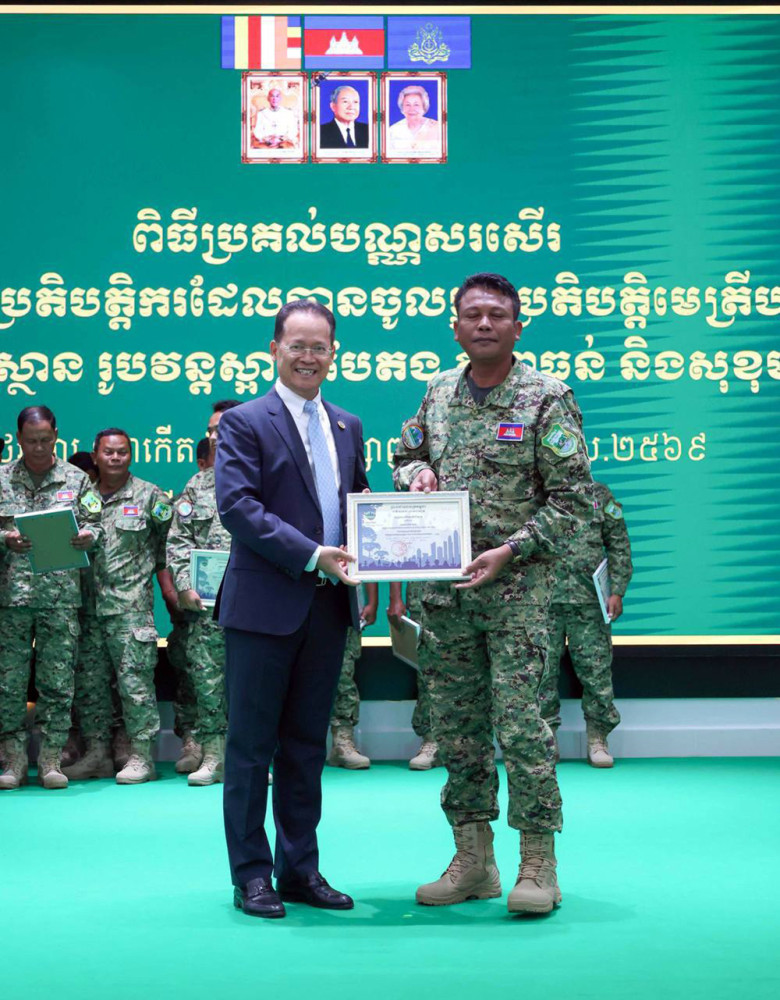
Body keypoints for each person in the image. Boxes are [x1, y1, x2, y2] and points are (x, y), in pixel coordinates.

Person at [393, 272, 593, 915]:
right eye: (472, 314)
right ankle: (474, 861)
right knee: (457, 730)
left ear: (517, 326)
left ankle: (538, 864)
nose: (484, 324)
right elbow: (405, 457)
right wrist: (416, 474)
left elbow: (574, 502)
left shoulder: (546, 397)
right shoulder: (437, 392)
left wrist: (509, 550)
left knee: (524, 728)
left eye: (497, 315)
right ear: (455, 326)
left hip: (520, 597)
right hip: (447, 597)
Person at [215, 298, 368, 920]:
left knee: (306, 747)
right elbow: (238, 507)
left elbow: (357, 504)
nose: (309, 356)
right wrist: (311, 554)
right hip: (263, 608)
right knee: (251, 749)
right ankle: (252, 875)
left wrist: (396, 518)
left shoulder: (348, 425)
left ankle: (300, 868)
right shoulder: (245, 421)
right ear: (274, 349)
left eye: (319, 346)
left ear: (334, 353)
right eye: (297, 345)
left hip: (328, 611)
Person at [63, 428, 174, 785]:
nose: (115, 458)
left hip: (130, 608)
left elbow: (169, 546)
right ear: (95, 456)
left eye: (122, 452)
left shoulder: (150, 496)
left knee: (135, 685)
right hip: (86, 607)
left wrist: (170, 590)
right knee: (90, 685)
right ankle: (97, 754)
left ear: (131, 455)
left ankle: (142, 756)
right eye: (108, 452)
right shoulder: (81, 497)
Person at [0, 406, 100, 790]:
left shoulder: (76, 479)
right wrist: (5, 538)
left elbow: (95, 524)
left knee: (57, 681)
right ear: (18, 439)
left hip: (59, 595)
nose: (39, 448)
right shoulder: (3, 478)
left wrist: (88, 537)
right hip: (13, 597)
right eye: (31, 441)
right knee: (9, 683)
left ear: (56, 435)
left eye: (45, 440)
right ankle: (12, 761)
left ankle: (50, 760)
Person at [166, 400, 241, 786]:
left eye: (221, 430)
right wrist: (183, 584)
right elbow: (178, 540)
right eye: (211, 431)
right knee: (208, 681)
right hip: (208, 606)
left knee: (255, 684)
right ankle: (213, 755)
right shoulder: (198, 486)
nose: (214, 437)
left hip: (257, 605)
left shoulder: (269, 478)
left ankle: (252, 759)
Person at [539, 480, 633, 768]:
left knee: (596, 672)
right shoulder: (535, 493)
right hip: (543, 601)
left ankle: (598, 739)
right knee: (540, 672)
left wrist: (617, 590)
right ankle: (545, 739)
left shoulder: (599, 494)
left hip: (590, 601)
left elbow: (618, 543)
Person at [386, 581, 440, 770]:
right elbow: (397, 560)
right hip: (426, 589)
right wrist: (395, 597)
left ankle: (469, 746)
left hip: (476, 589)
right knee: (428, 669)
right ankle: (432, 740)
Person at [327, 583, 378, 769]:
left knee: (344, 673)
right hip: (291, 596)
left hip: (343, 598)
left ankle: (342, 742)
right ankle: (272, 748)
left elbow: (367, 563)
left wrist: (372, 600)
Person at [387, 85, 440, 156]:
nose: (412, 109)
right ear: (402, 108)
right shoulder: (393, 131)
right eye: (407, 105)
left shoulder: (438, 128)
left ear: (424, 107)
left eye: (416, 105)